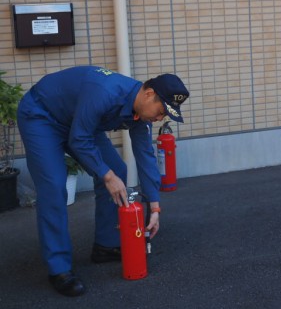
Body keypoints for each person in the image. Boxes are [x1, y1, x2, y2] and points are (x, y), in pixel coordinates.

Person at [17, 66, 189, 297]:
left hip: (79, 122)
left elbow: (145, 156)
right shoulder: (105, 92)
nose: (160, 118)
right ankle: (59, 269)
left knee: (117, 169)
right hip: (43, 116)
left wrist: (155, 206)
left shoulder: (141, 113)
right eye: (161, 111)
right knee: (54, 187)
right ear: (149, 94)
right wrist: (107, 176)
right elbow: (79, 140)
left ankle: (105, 245)